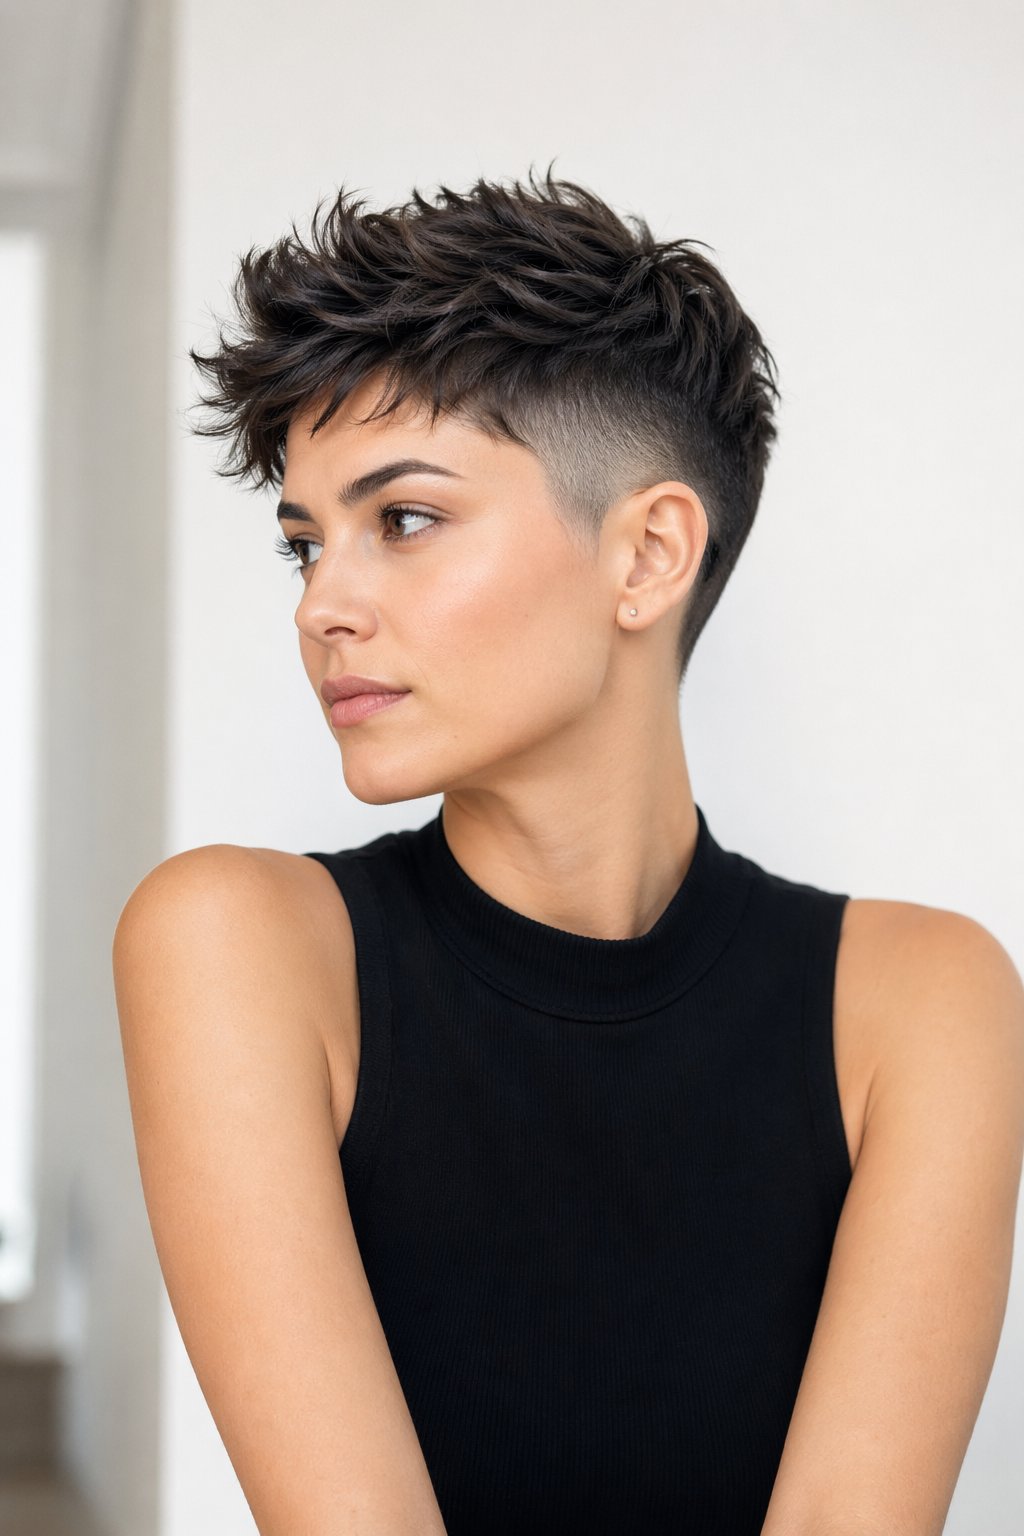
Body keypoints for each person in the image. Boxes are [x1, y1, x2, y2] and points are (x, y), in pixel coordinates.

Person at [112, 167, 1024, 1536]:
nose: (323, 607)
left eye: (402, 520)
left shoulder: (924, 1002)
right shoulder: (237, 944)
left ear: (649, 554)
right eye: (304, 544)